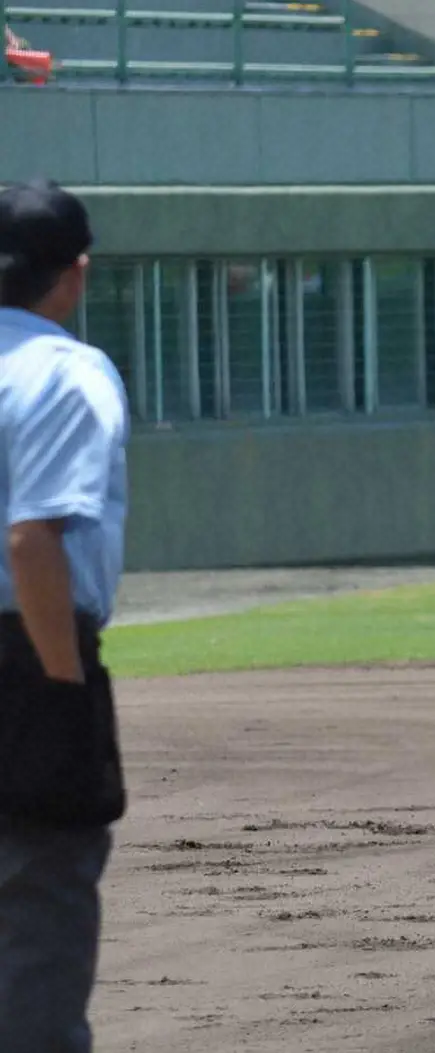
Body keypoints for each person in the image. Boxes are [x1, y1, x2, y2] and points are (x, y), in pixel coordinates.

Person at [0, 179, 129, 1053]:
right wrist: (61, 680)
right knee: (39, 904)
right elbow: (32, 539)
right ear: (73, 273)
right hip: (24, 653)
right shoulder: (64, 370)